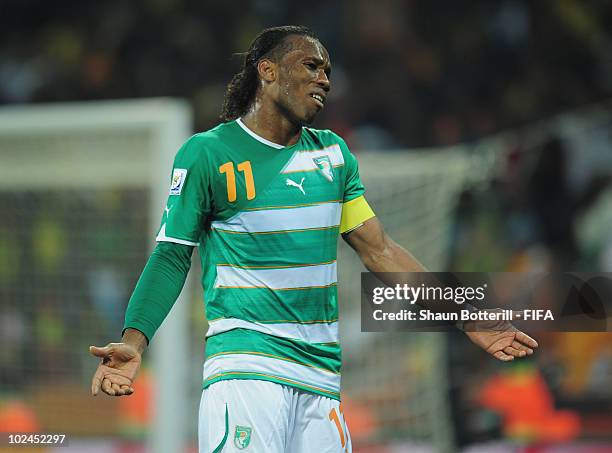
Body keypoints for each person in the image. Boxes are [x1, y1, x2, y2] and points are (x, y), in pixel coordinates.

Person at [90, 25, 538, 452]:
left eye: (327, 70)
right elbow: (171, 257)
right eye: (311, 66)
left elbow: (380, 251)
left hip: (321, 379)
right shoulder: (208, 154)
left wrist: (468, 316)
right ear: (267, 71)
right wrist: (134, 341)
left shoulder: (332, 155)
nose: (324, 78)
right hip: (248, 371)